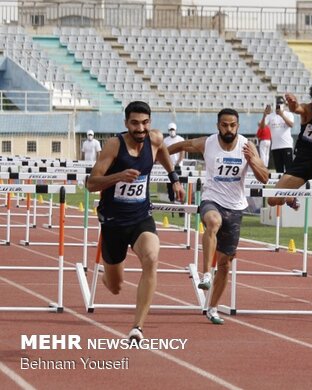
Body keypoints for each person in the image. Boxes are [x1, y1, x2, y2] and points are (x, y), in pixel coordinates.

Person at [86, 101, 185, 340]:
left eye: (144, 123)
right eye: (134, 123)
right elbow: (90, 184)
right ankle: (108, 276)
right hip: (113, 222)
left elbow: (161, 150)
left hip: (141, 217)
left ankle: (137, 327)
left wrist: (174, 178)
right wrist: (118, 176)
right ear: (126, 124)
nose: (140, 128)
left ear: (149, 122)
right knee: (115, 286)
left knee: (151, 257)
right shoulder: (113, 145)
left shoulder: (155, 138)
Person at [168, 108, 268, 325]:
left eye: (232, 125)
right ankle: (205, 274)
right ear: (218, 126)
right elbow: (180, 146)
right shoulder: (208, 143)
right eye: (224, 125)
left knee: (225, 264)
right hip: (211, 199)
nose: (228, 129)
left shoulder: (247, 146)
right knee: (212, 222)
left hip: (236, 206)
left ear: (238, 127)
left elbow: (265, 178)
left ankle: (212, 307)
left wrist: (252, 161)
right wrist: (160, 157)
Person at [260, 97, 294, 173]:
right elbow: (262, 127)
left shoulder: (289, 114)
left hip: (287, 145)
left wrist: (282, 115)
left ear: (284, 105)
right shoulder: (270, 116)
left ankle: (289, 185)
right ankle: (281, 185)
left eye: (281, 103)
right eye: (278, 103)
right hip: (275, 147)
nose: (279, 105)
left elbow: (291, 124)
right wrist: (264, 115)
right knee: (279, 171)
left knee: (289, 169)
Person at [163, 122, 185, 215]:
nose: (172, 131)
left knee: (180, 186)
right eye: (170, 130)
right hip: (169, 167)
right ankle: (172, 205)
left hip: (178, 166)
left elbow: (182, 152)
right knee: (170, 187)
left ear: (175, 130)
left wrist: (178, 162)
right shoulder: (165, 140)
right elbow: (163, 153)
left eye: (173, 130)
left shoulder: (180, 139)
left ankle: (181, 208)